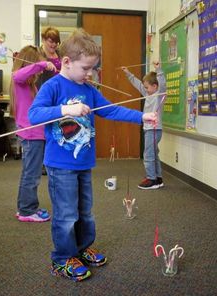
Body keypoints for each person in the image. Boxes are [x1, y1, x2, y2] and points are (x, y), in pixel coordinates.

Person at [28, 28, 157, 282]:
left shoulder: (88, 88)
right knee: (66, 214)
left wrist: (141, 117)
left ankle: (81, 249)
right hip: (60, 165)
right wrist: (66, 109)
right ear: (66, 62)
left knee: (85, 211)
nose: (90, 74)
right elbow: (34, 115)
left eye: (93, 68)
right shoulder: (53, 85)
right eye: (86, 68)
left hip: (84, 162)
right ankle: (62, 259)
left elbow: (110, 110)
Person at [10, 45, 57, 222]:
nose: (37, 72)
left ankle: (24, 207)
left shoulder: (29, 86)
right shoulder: (19, 79)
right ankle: (27, 211)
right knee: (32, 174)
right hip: (31, 135)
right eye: (35, 65)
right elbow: (18, 74)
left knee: (29, 172)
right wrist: (42, 64)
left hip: (34, 134)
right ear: (30, 63)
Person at [122, 61, 166, 190]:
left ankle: (151, 179)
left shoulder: (159, 95)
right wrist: (128, 73)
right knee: (153, 154)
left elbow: (162, 85)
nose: (145, 89)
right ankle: (158, 178)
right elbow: (138, 85)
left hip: (154, 129)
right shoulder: (149, 94)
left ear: (155, 86)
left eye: (147, 87)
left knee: (148, 154)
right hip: (149, 129)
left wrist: (159, 70)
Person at [37, 26, 61, 175]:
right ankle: (43, 163)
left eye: (55, 42)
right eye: (50, 41)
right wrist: (42, 64)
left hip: (58, 95)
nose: (52, 45)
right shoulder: (38, 55)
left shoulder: (60, 54)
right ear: (44, 40)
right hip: (43, 94)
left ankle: (55, 160)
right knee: (43, 131)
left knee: (57, 128)